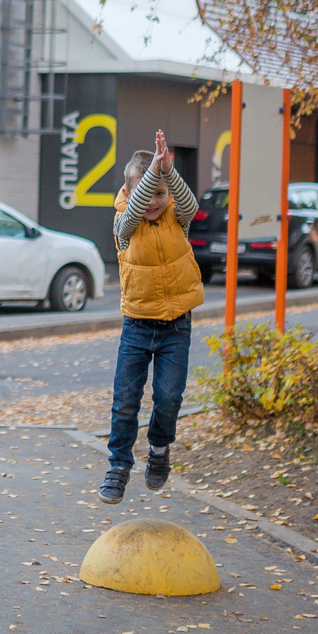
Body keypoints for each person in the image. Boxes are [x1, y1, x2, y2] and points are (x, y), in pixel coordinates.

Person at [100, 129, 203, 504]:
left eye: (161, 194)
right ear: (129, 195)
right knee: (125, 400)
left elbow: (187, 202)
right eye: (146, 194)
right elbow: (134, 210)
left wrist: (166, 171)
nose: (155, 202)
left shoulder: (180, 218)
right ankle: (118, 465)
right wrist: (150, 178)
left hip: (176, 324)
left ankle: (159, 451)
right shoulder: (123, 227)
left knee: (168, 398)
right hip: (138, 326)